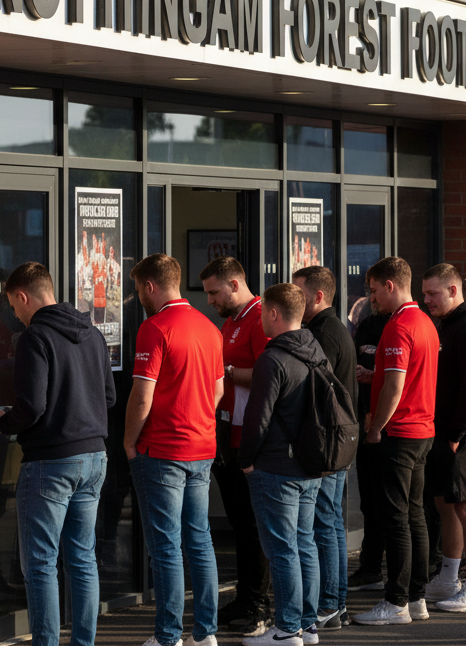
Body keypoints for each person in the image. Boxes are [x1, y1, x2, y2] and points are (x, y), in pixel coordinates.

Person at [0, 262, 115, 646]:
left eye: (13, 305)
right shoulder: (91, 333)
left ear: (23, 296)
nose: (14, 314)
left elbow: (32, 407)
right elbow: (108, 397)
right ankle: (83, 642)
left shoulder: (33, 338)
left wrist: (3, 424)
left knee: (40, 563)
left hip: (50, 462)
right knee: (82, 558)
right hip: (95, 457)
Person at [125, 254, 223, 646]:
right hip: (202, 447)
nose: (139, 298)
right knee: (199, 540)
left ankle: (168, 636)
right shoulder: (209, 328)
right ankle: (205, 633)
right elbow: (217, 391)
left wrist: (129, 442)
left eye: (138, 291)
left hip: (163, 449)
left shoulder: (154, 328)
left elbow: (141, 397)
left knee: (166, 545)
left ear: (150, 287)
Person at [239, 283, 330, 646]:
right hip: (310, 463)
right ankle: (306, 626)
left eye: (263, 313)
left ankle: (287, 628)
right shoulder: (315, 349)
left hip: (277, 467)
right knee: (304, 544)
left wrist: (246, 461)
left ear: (275, 314)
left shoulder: (272, 358)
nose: (261, 318)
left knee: (282, 548)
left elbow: (256, 418)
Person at [353, 256, 439, 626]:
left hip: (399, 432)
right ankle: (416, 596)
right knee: (414, 515)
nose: (372, 299)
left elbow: (396, 385)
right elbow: (405, 376)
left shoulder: (399, 325)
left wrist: (375, 429)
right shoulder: (425, 323)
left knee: (395, 519)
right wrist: (376, 377)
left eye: (374, 290)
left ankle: (397, 600)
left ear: (390, 285)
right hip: (421, 430)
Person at [200, 256, 271, 634]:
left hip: (250, 439)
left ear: (234, 283)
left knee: (254, 526)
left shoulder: (260, 319)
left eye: (214, 292)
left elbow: (267, 374)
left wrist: (224, 372)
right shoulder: (231, 322)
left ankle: (258, 605)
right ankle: (245, 597)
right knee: (241, 525)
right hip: (228, 434)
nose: (210, 299)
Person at [421, 263, 466, 613]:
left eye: (432, 293)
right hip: (446, 430)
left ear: (453, 290)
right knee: (446, 504)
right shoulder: (448, 325)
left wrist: (455, 433)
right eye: (424, 293)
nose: (427, 300)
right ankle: (449, 577)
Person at [292, 266, 358, 629]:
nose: (292, 299)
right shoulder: (330, 329)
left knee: (323, 523)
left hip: (328, 441)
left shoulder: (324, 334)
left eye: (298, 292)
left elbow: (314, 389)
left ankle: (329, 602)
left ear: (318, 296)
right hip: (337, 439)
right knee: (330, 522)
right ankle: (336, 602)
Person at [348, 298, 390, 592]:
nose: (372, 299)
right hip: (366, 423)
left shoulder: (405, 325)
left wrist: (373, 375)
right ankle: (371, 567)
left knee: (398, 509)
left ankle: (409, 581)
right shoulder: (367, 324)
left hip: (393, 429)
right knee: (370, 502)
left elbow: (402, 377)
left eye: (376, 291)